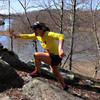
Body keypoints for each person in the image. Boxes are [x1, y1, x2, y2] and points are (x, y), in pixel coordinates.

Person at [10, 21, 68, 90]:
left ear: (42, 29)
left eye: (35, 29)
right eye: (33, 29)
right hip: (51, 55)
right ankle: (64, 86)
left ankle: (38, 72)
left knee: (36, 55)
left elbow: (61, 36)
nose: (34, 31)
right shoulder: (38, 35)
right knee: (55, 72)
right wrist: (17, 36)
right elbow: (28, 36)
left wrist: (60, 49)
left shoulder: (48, 34)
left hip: (55, 56)